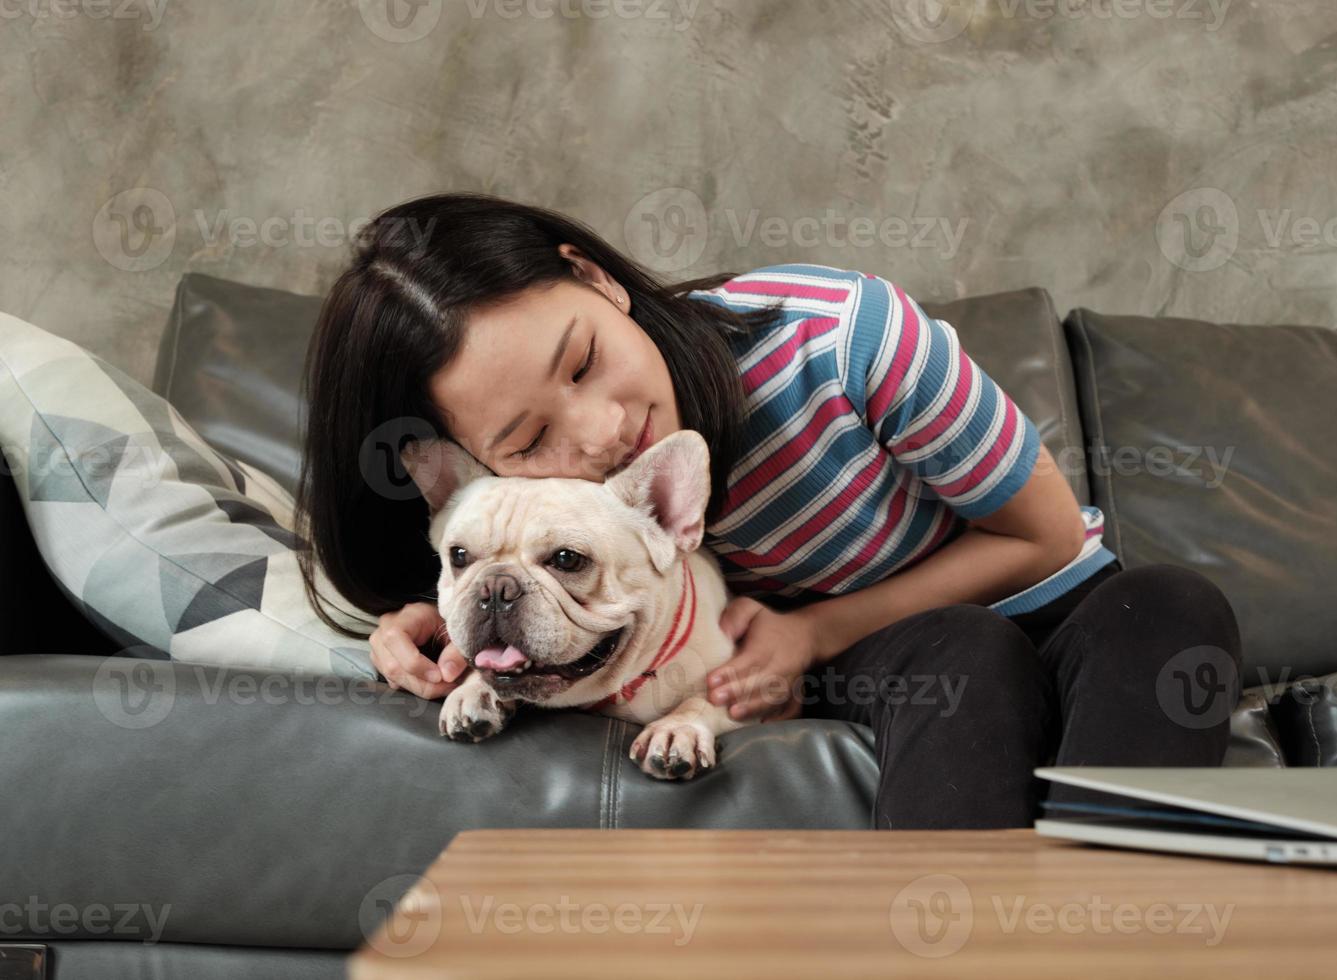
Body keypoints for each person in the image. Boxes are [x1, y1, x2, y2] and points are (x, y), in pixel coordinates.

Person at [295, 191, 1244, 829]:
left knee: (1173, 606)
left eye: (582, 362)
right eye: (528, 439)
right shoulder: (551, 516)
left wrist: (811, 631)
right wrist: (438, 619)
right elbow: (532, 574)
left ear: (595, 279)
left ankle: (1115, 931)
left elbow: (1039, 537)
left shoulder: (843, 337)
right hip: (902, 654)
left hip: (1037, 592)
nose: (599, 434)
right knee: (965, 653)